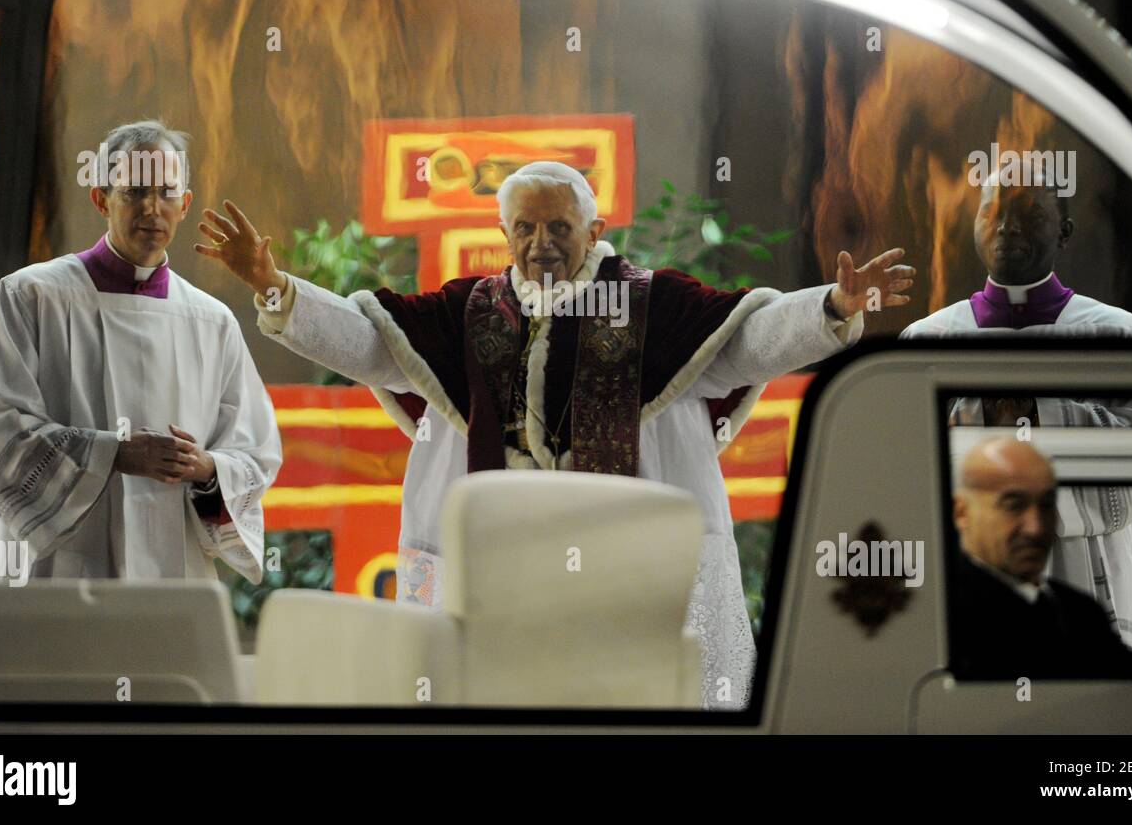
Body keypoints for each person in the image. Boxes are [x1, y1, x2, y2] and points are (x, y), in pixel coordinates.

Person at [197, 160, 916, 709]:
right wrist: (275, 287)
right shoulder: (470, 310)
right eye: (526, 228)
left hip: (625, 567)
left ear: (595, 231)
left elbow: (750, 340)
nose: (541, 244)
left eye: (560, 228)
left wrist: (831, 306)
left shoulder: (654, 304)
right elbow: (370, 344)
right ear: (503, 234)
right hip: (501, 569)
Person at [0, 120, 280, 583]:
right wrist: (113, 454)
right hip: (63, 567)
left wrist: (209, 469)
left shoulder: (212, 323)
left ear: (185, 205)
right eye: (134, 192)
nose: (152, 208)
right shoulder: (34, 296)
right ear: (101, 198)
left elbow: (256, 451)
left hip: (173, 571)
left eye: (167, 193)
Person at [902, 164, 1132, 659]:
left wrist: (1028, 411)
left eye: (1030, 214)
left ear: (1066, 231)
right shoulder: (927, 340)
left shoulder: (1120, 335)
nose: (1007, 226)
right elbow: (899, 473)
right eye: (992, 210)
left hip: (1088, 587)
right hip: (965, 591)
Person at [951, 437, 1132, 680]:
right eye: (1014, 505)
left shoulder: (1079, 611)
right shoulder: (942, 611)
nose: (1036, 527)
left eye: (1046, 505)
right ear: (961, 512)